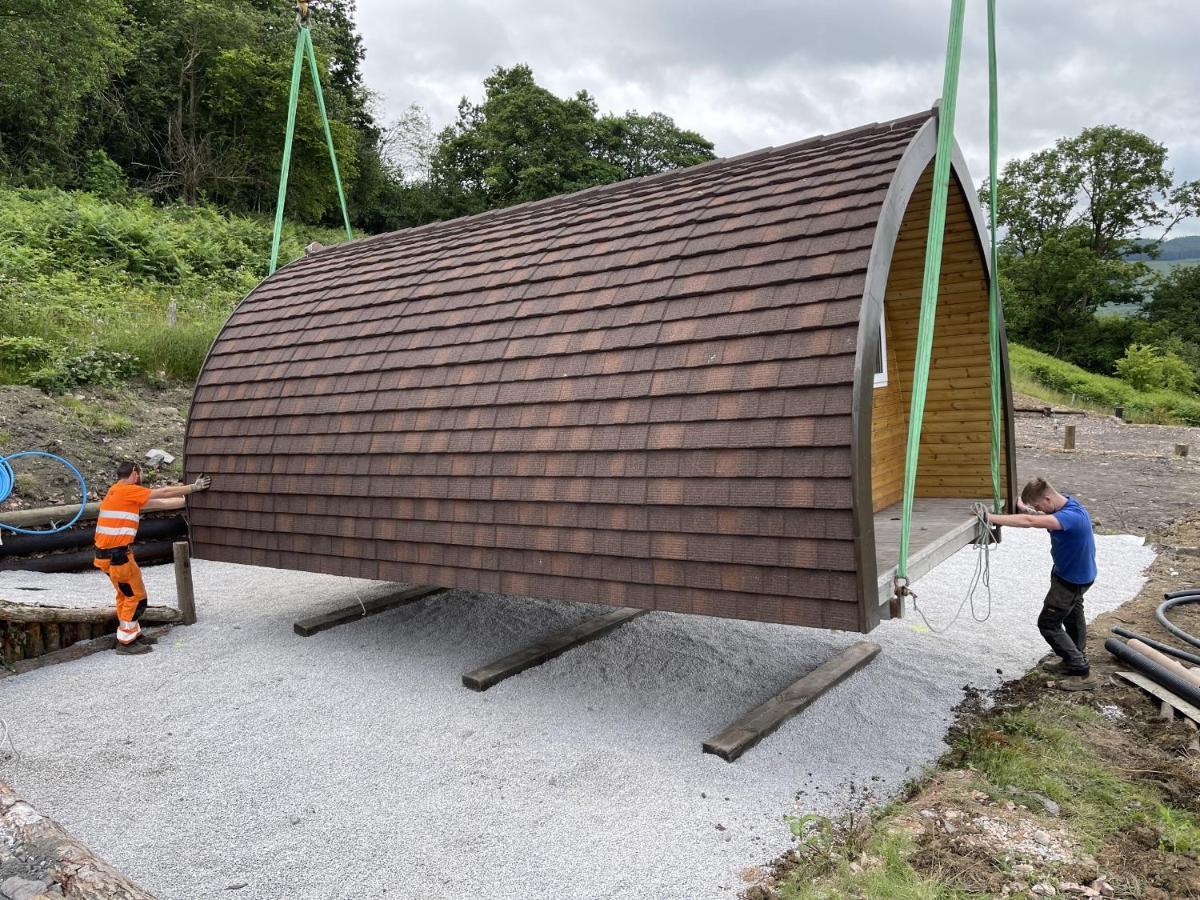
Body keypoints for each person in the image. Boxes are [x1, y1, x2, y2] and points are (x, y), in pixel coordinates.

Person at [987, 477, 1098, 691]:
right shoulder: (1067, 504)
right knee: (1074, 617)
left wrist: (991, 517)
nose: (1039, 511)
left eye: (1038, 506)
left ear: (1048, 498)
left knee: (1048, 623)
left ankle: (1082, 672)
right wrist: (1024, 507)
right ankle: (1074, 659)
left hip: (1071, 580)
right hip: (1076, 575)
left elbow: (1030, 522)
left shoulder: (1071, 517)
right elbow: (1038, 517)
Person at [94, 462, 210, 655]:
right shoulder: (128, 490)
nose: (142, 477)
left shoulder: (117, 491)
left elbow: (160, 503)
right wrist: (193, 487)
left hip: (110, 555)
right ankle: (125, 643)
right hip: (117, 556)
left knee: (125, 595)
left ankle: (133, 634)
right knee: (136, 598)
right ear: (134, 473)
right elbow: (163, 493)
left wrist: (187, 500)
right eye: (140, 473)